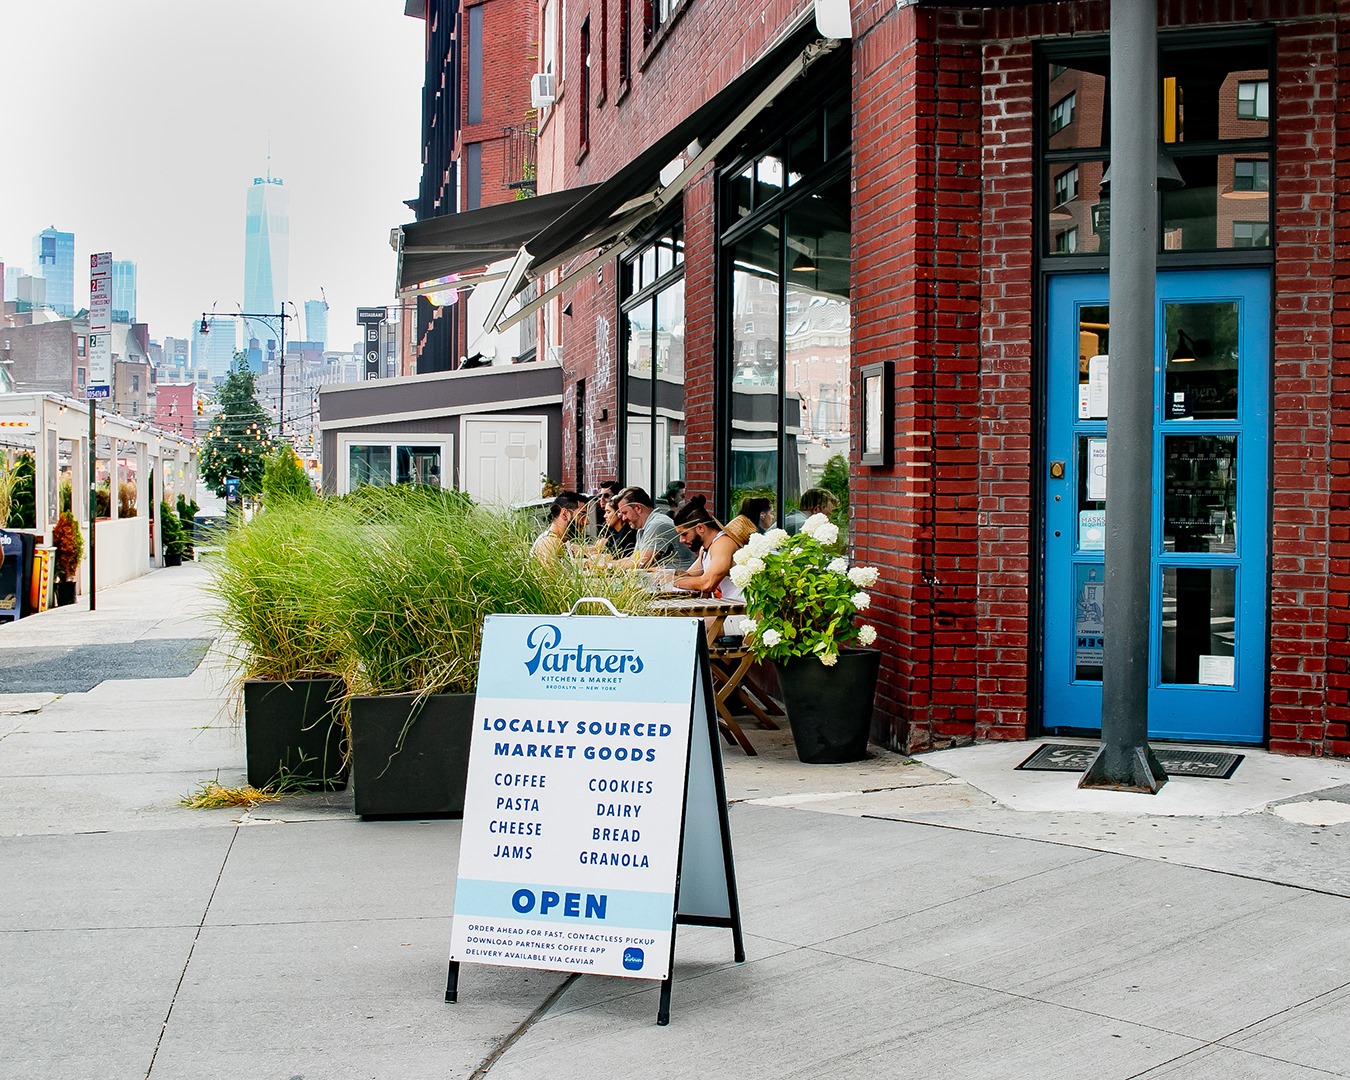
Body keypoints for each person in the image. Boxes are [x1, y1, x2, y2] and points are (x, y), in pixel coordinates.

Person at [671, 496, 744, 602]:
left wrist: (671, 581)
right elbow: (690, 575)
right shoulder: (705, 549)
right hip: (725, 609)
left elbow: (707, 583)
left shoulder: (722, 544)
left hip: (740, 611)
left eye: (684, 534)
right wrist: (663, 573)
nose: (681, 540)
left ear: (700, 528)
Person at [610, 486, 689, 569]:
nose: (623, 518)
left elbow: (642, 563)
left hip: (679, 579)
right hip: (664, 579)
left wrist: (608, 566)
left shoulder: (657, 525)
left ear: (638, 508)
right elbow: (633, 559)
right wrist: (607, 564)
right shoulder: (644, 527)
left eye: (625, 513)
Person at [531, 490, 585, 563]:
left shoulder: (560, 541)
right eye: (582, 514)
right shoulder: (549, 543)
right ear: (565, 514)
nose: (587, 521)